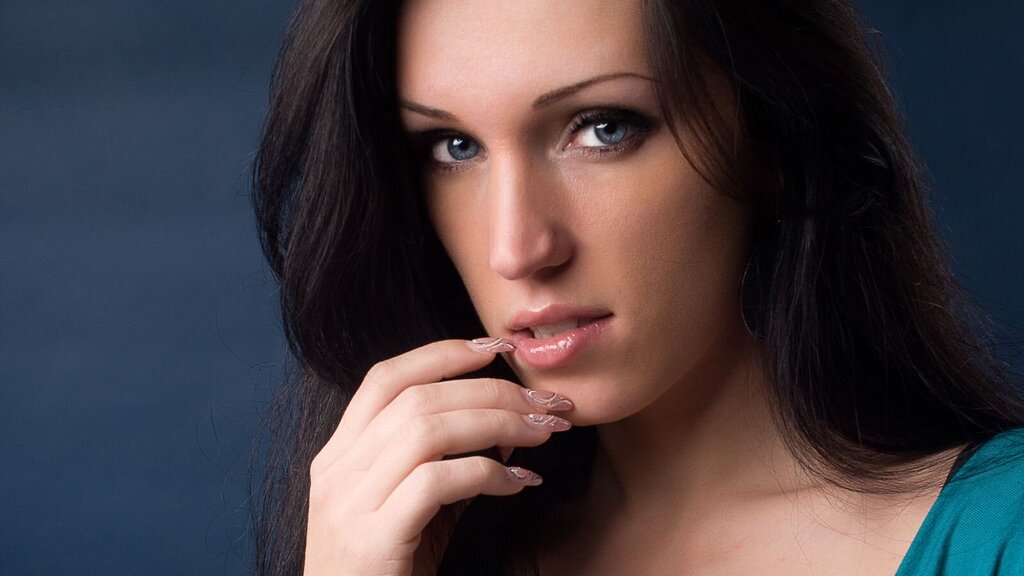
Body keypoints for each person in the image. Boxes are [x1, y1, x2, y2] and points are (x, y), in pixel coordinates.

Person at [251, 0, 1024, 574]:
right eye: (454, 147)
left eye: (603, 128)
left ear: (771, 134)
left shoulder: (998, 536)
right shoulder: (415, 548)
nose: (517, 248)